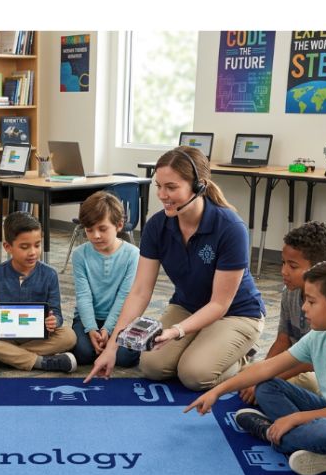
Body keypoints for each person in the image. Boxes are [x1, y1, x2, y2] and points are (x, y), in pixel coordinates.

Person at [186, 257, 326, 475]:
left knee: (325, 429)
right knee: (266, 385)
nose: (304, 308)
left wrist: (294, 418)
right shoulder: (319, 335)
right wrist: (217, 391)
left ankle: (269, 432)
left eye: (311, 301)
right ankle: (304, 441)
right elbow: (267, 368)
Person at [85, 146, 265, 390]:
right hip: (187, 306)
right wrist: (113, 346)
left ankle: (241, 358)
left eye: (171, 187)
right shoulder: (157, 226)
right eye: (158, 186)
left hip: (236, 312)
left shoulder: (230, 228)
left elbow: (219, 304)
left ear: (199, 186)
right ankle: (206, 345)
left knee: (194, 374)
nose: (162, 195)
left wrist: (178, 331)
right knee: (152, 367)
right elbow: (139, 291)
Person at [239, 220, 326, 403]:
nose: (283, 271)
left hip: (318, 372)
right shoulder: (290, 293)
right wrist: (262, 371)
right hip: (289, 363)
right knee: (249, 376)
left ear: (320, 269)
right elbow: (282, 340)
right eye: (283, 263)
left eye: (293, 266)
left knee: (303, 383)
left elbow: (311, 361)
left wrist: (268, 377)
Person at [0, 210, 78, 371]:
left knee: (69, 336)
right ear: (7, 247)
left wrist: (54, 321)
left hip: (37, 337)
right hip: (4, 337)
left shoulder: (50, 274)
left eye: (37, 245)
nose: (32, 252)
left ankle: (0, 358)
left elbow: (57, 313)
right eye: (25, 247)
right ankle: (40, 361)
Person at [70, 191, 140, 368]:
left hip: (122, 319)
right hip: (88, 320)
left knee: (125, 358)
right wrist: (92, 329)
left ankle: (109, 346)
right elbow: (83, 296)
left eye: (102, 229)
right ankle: (102, 346)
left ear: (119, 225)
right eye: (89, 230)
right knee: (82, 353)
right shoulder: (80, 255)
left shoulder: (133, 255)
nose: (95, 236)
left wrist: (108, 329)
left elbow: (124, 296)